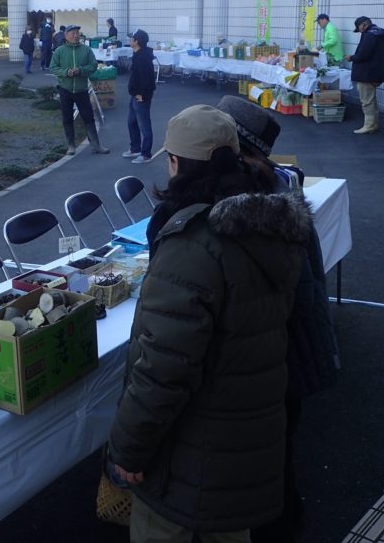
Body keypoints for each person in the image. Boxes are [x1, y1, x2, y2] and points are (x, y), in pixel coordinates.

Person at [109, 104, 312, 543]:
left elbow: (163, 371)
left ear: (175, 163)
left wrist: (129, 449)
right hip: (246, 436)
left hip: (191, 448)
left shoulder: (192, 243)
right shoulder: (268, 224)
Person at [216, 95, 340, 543]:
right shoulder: (282, 188)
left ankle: (275, 523)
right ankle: (282, 517)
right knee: (277, 448)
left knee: (264, 456)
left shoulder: (250, 208)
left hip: (277, 356)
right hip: (293, 351)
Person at [49, 25, 109, 155]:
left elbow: (93, 65)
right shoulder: (60, 51)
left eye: (77, 33)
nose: (76, 36)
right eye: (73, 33)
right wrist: (66, 72)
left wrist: (81, 70)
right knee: (67, 118)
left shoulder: (86, 50)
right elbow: (53, 67)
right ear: (66, 36)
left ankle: (96, 145)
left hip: (82, 89)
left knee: (89, 117)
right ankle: (71, 145)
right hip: (65, 89)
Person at [345, 15, 384, 134]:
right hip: (376, 72)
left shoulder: (369, 35)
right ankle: (374, 124)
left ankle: (369, 125)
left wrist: (351, 58)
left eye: (359, 29)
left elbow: (362, 55)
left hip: (366, 73)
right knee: (371, 99)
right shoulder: (379, 34)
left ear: (364, 25)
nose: (360, 32)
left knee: (367, 101)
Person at [123, 29, 155, 163]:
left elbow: (147, 79)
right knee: (132, 122)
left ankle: (146, 154)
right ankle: (135, 148)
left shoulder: (142, 58)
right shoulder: (138, 54)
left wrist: (143, 94)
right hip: (135, 94)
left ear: (136, 42)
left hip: (140, 96)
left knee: (144, 125)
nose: (130, 40)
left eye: (132, 38)